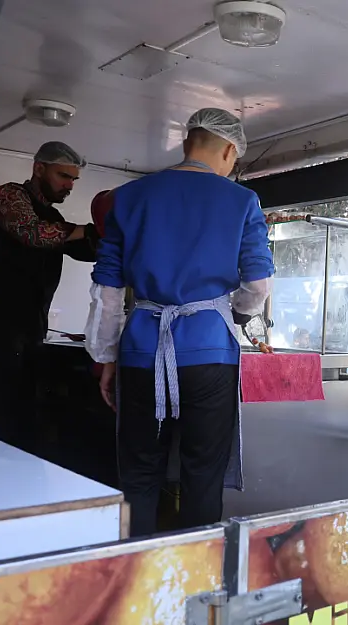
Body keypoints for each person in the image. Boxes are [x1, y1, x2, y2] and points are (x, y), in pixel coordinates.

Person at [85, 108, 275, 537]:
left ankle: (135, 573)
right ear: (228, 149)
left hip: (140, 350)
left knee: (138, 473)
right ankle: (198, 579)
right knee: (202, 474)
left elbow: (107, 290)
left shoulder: (129, 197)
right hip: (209, 354)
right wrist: (236, 315)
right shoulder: (242, 201)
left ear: (188, 141)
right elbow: (258, 285)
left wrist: (105, 356)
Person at [0, 141, 98, 453]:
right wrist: (87, 230)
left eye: (73, 180)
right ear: (39, 169)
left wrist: (110, 236)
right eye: (63, 176)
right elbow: (33, 233)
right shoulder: (8, 196)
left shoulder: (55, 219)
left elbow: (86, 247)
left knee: (22, 416)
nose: (69, 186)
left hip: (29, 332)